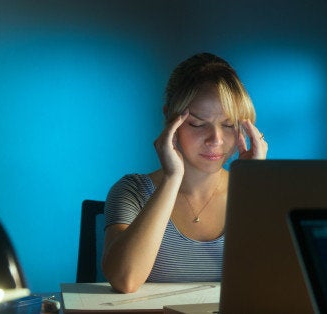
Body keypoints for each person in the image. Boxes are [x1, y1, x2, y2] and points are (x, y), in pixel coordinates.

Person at [101, 52, 268, 293]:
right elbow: (125, 280)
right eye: (198, 124)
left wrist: (254, 183)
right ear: (171, 119)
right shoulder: (131, 191)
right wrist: (172, 178)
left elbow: (273, 284)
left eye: (229, 125)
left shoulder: (258, 193)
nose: (215, 140)